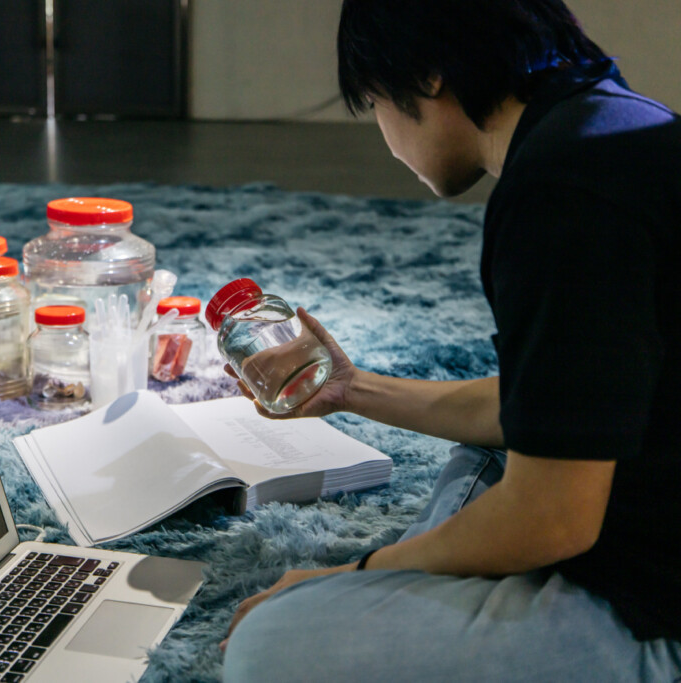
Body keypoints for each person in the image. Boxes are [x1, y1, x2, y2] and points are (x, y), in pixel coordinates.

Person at [221, 0, 681, 680]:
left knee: (268, 644)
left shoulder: (558, 195)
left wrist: (354, 573)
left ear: (429, 77)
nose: (384, 131)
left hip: (656, 617)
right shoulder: (621, 124)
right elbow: (559, 405)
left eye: (374, 101)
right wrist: (353, 388)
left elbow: (555, 519)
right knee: (491, 454)